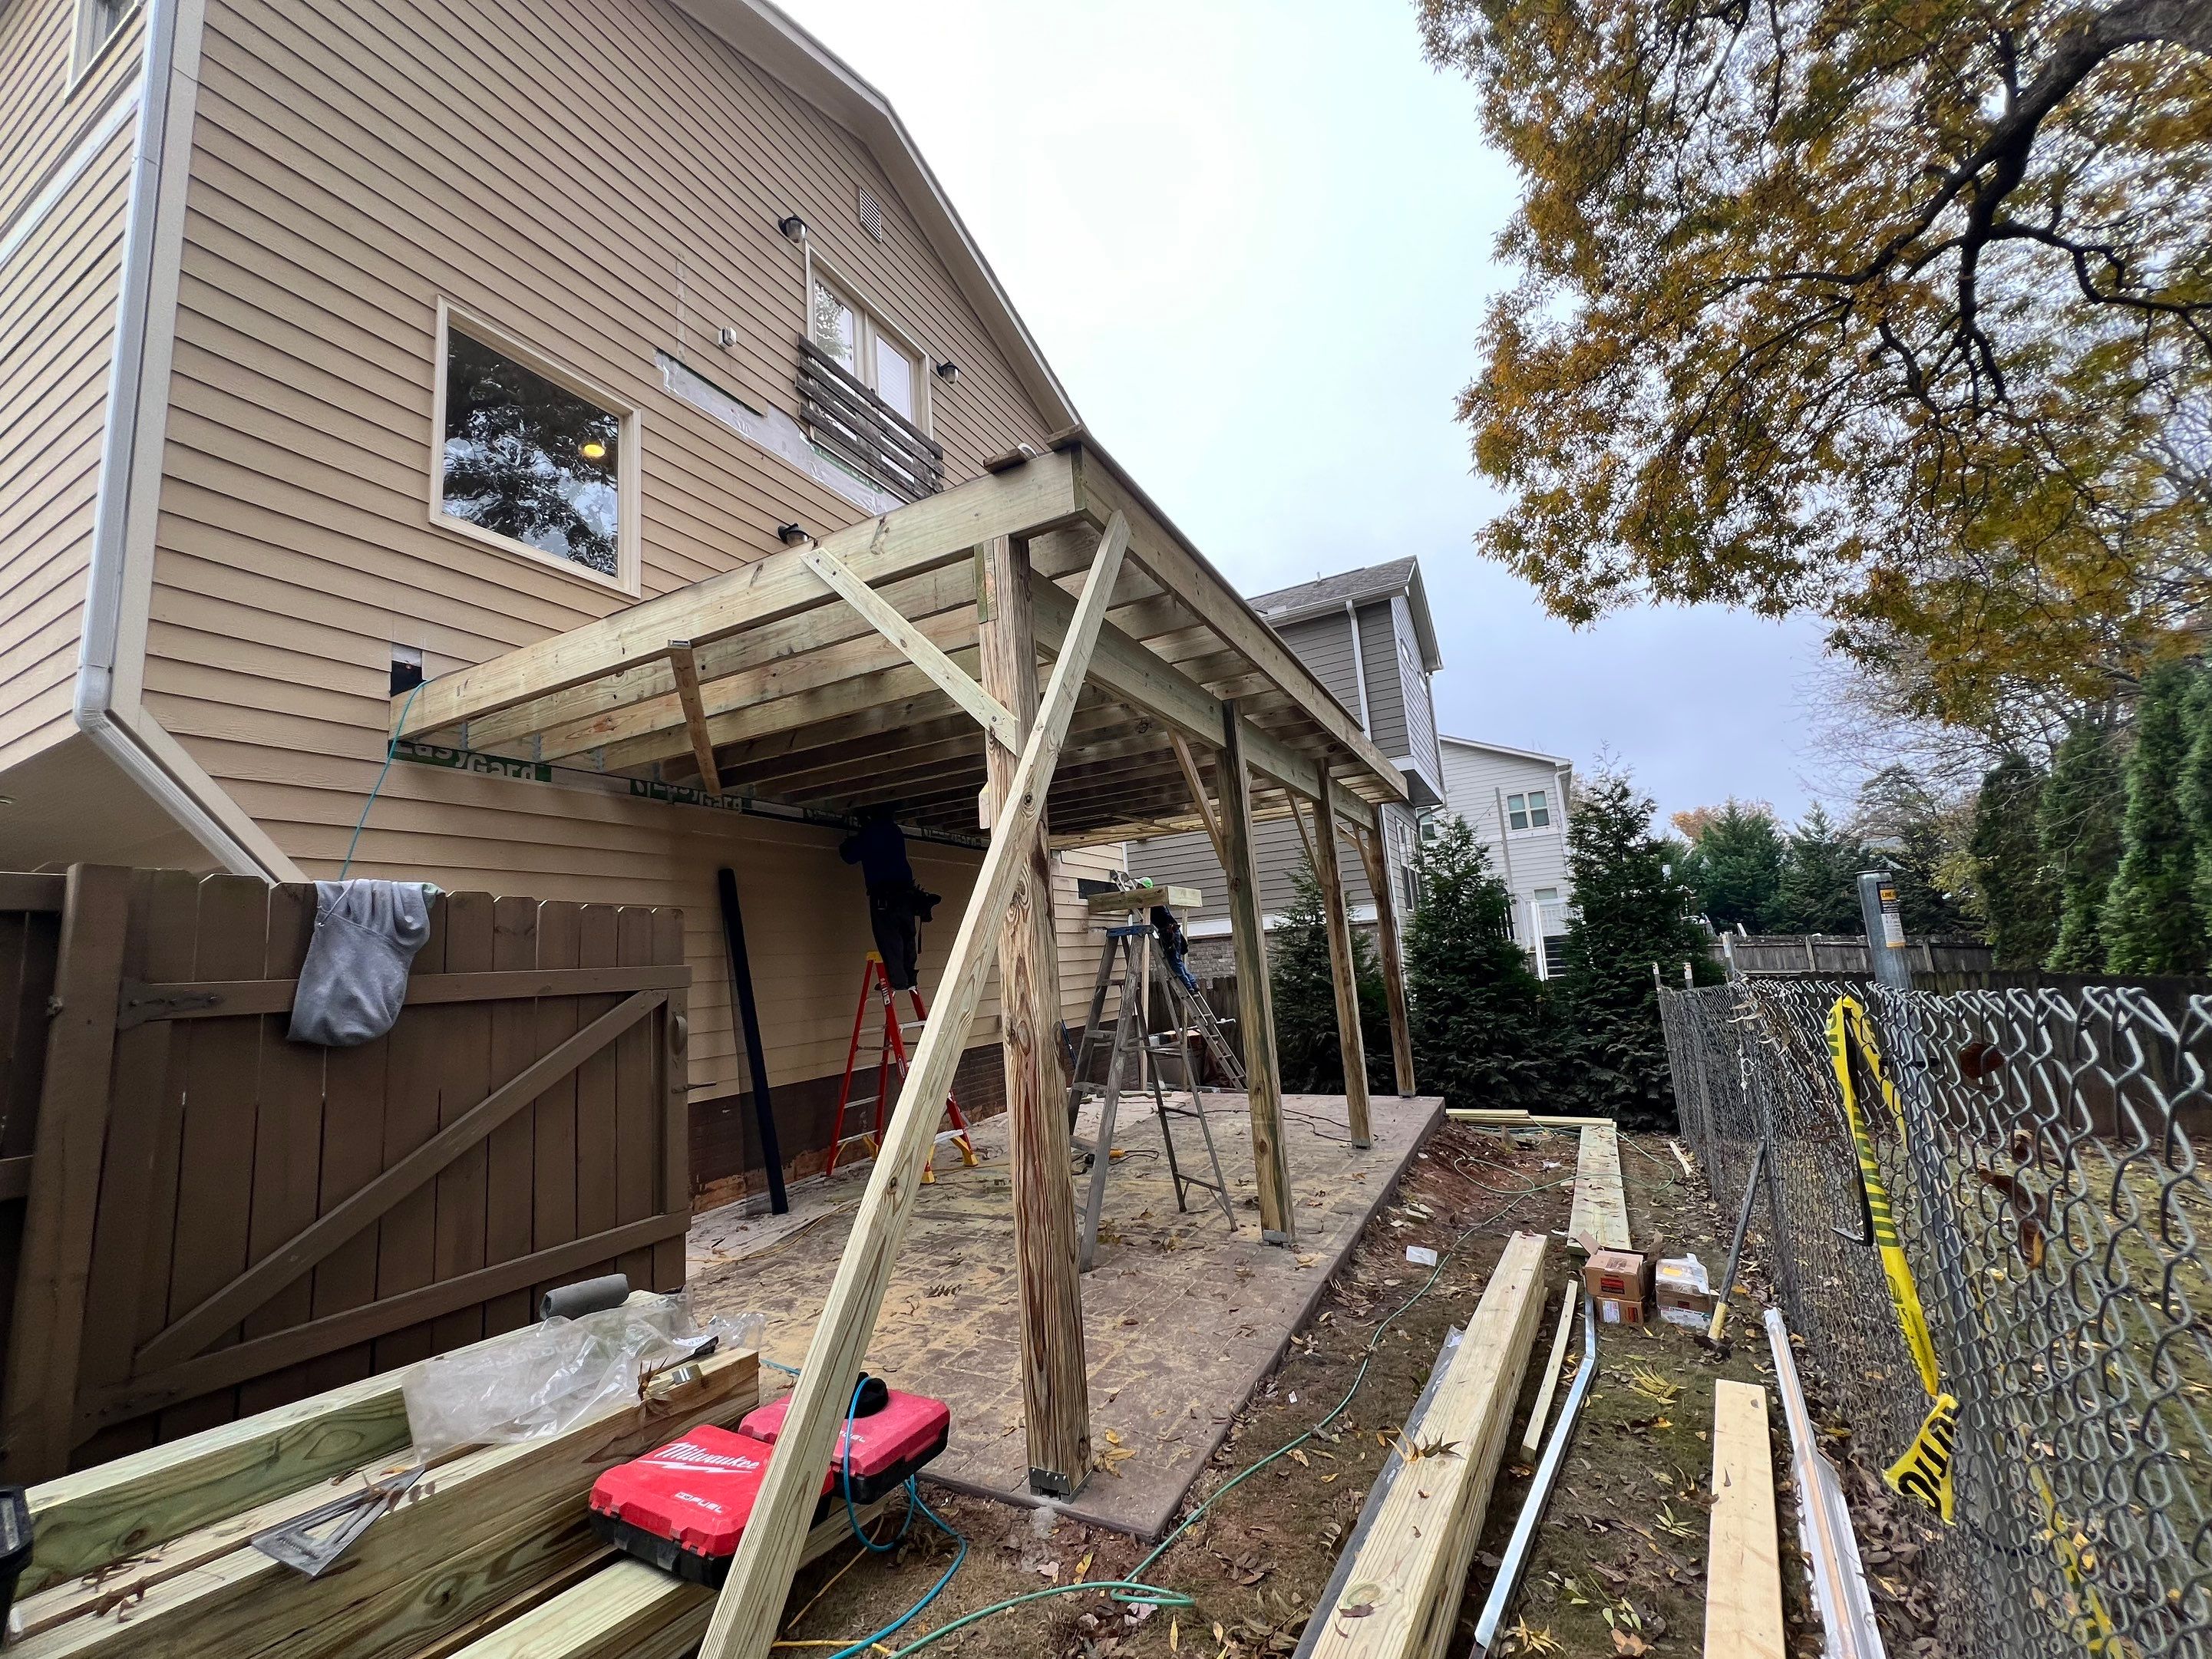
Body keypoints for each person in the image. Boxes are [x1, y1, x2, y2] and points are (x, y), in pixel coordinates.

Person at [840, 806, 938, 991]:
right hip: (906, 896)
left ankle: (898, 982)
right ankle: (909, 979)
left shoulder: (871, 832)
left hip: (885, 898)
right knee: (906, 936)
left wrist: (849, 841)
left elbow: (849, 855)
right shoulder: (895, 831)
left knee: (890, 940)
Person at [1151, 902, 1201, 994]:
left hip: (1168, 933)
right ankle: (1193, 984)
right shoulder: (1159, 903)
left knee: (1174, 962)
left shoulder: (1151, 902)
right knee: (1178, 961)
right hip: (1174, 931)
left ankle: (1188, 987)